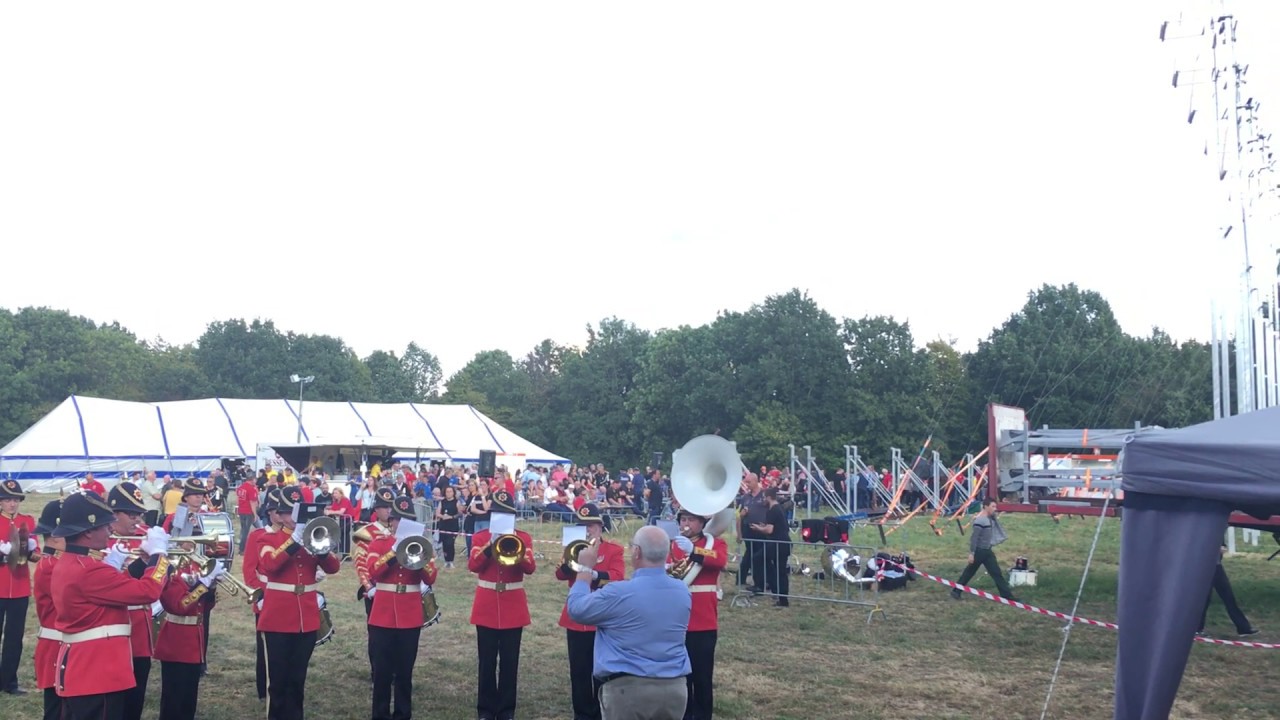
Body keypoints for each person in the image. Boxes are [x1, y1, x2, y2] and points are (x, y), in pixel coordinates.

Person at [51, 491, 170, 720]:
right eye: (105, 526)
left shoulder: (72, 563)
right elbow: (147, 591)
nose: (109, 530)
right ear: (87, 532)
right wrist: (159, 555)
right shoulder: (90, 570)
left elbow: (114, 589)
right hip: (98, 673)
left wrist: (143, 562)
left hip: (85, 668)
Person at [567, 525, 692, 720]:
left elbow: (576, 609)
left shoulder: (619, 592)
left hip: (629, 690)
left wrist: (584, 569)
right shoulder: (682, 591)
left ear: (636, 552)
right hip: (674, 688)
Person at [256, 484, 341, 720]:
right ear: (280, 516)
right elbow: (270, 565)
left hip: (306, 616)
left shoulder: (311, 536)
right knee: (278, 681)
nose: (294, 518)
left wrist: (321, 548)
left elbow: (333, 567)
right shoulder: (267, 537)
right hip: (278, 617)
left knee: (298, 679)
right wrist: (294, 541)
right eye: (289, 513)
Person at [363, 495, 439, 720]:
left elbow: (431, 577)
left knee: (405, 672)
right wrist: (394, 551)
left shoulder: (422, 545)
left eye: (408, 520)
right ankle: (380, 715)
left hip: (409, 613)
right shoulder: (379, 543)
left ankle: (403, 715)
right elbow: (374, 571)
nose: (402, 524)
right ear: (392, 522)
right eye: (398, 520)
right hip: (383, 613)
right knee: (382, 673)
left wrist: (419, 555)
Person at [468, 490, 536, 720]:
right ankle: (485, 709)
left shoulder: (523, 538)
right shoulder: (480, 537)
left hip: (512, 606)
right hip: (486, 604)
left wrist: (516, 548)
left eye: (507, 513)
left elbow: (530, 568)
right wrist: (490, 546)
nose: (503, 517)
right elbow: (473, 565)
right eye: (498, 513)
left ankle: (506, 710)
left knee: (510, 662)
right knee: (486, 662)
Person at [555, 503, 626, 720]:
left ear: (600, 527)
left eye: (591, 526)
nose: (587, 530)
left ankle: (601, 712)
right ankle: (582, 713)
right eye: (583, 526)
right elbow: (560, 575)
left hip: (601, 617)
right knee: (578, 670)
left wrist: (593, 573)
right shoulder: (574, 548)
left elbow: (617, 576)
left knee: (602, 670)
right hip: (576, 618)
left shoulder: (613, 550)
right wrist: (569, 564)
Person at [106, 482, 160, 720]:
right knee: (114, 699)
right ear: (113, 514)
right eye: (131, 514)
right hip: (115, 627)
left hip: (141, 626)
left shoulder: (143, 535)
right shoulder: (101, 541)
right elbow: (115, 583)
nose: (137, 519)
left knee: (137, 693)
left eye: (139, 513)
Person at [668, 507, 729, 720]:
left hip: (703, 620)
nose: (686, 523)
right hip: (677, 619)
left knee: (702, 677)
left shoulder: (714, 544)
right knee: (680, 677)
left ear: (702, 523)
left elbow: (720, 560)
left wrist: (694, 551)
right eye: (683, 519)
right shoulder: (672, 545)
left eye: (691, 520)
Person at [153, 552, 225, 720]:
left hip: (193, 640)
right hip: (176, 642)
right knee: (174, 701)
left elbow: (204, 607)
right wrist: (204, 583)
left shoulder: (194, 570)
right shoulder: (171, 573)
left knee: (188, 700)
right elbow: (180, 605)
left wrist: (211, 586)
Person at [241, 488, 280, 704]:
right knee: (265, 647)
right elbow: (249, 571)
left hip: (288, 598)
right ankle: (263, 688)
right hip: (266, 595)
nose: (280, 516)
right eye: (275, 511)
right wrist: (260, 595)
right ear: (269, 513)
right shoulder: (257, 535)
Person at [0, 478, 38, 696]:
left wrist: (31, 551)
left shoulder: (28, 521)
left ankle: (9, 681)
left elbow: (36, 556)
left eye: (15, 500)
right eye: (7, 500)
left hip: (20, 587)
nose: (12, 504)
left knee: (14, 637)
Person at [32, 499, 64, 720]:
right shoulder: (51, 566)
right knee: (56, 711)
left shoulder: (55, 563)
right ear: (54, 537)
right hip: (56, 645)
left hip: (62, 644)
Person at [951, 498, 1017, 601]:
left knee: (996, 573)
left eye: (995, 507)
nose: (995, 509)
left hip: (987, 551)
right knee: (969, 572)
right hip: (980, 551)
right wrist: (972, 553)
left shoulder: (989, 518)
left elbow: (995, 519)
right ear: (986, 507)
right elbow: (974, 538)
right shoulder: (980, 520)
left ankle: (1007, 595)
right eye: (992, 506)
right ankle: (956, 591)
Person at [1198, 544, 1259, 637]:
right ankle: (1198, 629)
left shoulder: (1216, 530)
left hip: (1217, 567)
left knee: (1229, 597)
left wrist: (1222, 547)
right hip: (1203, 567)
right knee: (1204, 599)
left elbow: (1222, 543)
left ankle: (1243, 628)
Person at [356, 487, 397, 616]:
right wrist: (369, 587)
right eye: (385, 507)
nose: (389, 510)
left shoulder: (400, 530)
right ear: (376, 509)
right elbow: (360, 564)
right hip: (376, 588)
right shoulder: (366, 533)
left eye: (391, 506)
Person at [749, 488, 790, 607]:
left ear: (768, 497)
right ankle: (781, 596)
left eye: (764, 497)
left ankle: (762, 585)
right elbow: (776, 527)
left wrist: (758, 528)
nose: (763, 500)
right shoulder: (780, 508)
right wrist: (764, 526)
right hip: (783, 543)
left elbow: (769, 530)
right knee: (779, 570)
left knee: (758, 558)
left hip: (778, 544)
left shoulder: (773, 510)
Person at [236, 476, 260, 554]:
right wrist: (255, 514)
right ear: (252, 480)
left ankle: (241, 547)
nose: (255, 481)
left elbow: (238, 499)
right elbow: (252, 502)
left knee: (243, 530)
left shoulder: (240, 488)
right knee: (246, 531)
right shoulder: (251, 489)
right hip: (248, 512)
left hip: (241, 511)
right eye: (255, 480)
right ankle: (242, 549)